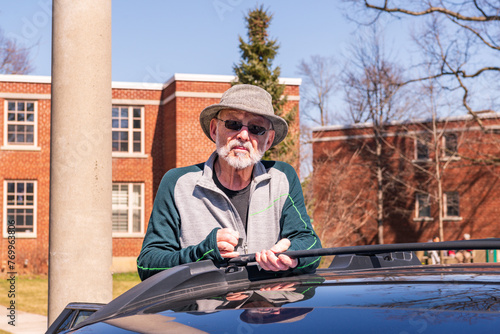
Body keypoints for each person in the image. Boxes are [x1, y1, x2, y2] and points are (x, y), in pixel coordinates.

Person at [137, 84, 322, 280]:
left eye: (256, 128)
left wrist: (293, 256)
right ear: (215, 130)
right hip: (200, 309)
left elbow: (310, 245)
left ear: (268, 141)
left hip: (266, 308)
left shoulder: (282, 177)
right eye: (233, 123)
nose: (243, 135)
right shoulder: (177, 183)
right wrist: (202, 253)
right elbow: (148, 265)